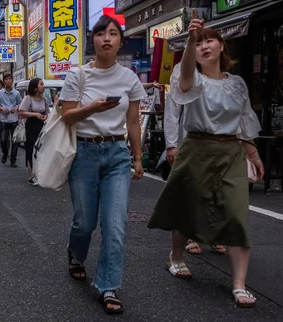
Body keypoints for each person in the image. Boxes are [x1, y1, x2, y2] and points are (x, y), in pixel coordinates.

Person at [147, 10, 263, 308]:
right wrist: (189, 41)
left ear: (222, 46)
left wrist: (252, 150)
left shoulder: (236, 83)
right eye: (200, 43)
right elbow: (184, 78)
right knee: (188, 206)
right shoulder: (190, 77)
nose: (205, 46)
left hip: (231, 152)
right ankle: (176, 255)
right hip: (196, 148)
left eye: (210, 41)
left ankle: (238, 284)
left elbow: (244, 119)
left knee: (236, 213)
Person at [60, 15, 146, 314]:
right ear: (93, 40)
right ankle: (75, 253)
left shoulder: (130, 78)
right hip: (84, 152)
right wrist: (92, 107)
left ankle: (108, 286)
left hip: (117, 154)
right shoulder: (77, 76)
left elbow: (133, 122)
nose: (107, 38)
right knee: (84, 221)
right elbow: (66, 116)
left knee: (115, 224)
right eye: (100, 33)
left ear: (121, 41)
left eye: (113, 33)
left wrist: (137, 158)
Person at [163, 93, 227, 256]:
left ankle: (213, 234)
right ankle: (191, 235)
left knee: (216, 191)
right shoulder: (183, 77)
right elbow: (172, 113)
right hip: (190, 143)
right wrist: (171, 144)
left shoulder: (223, 80)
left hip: (219, 143)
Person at [18, 78, 49, 185]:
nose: (43, 86)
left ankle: (39, 173)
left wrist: (45, 116)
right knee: (30, 149)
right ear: (35, 87)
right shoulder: (28, 98)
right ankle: (31, 174)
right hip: (31, 126)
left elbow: (47, 112)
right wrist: (35, 114)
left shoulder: (44, 99)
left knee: (41, 150)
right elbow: (21, 112)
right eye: (41, 84)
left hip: (42, 126)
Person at [0, 74, 22, 167]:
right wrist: (2, 109)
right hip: (3, 120)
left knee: (15, 141)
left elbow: (20, 104)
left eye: (10, 79)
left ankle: (13, 160)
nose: (8, 81)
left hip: (14, 119)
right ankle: (5, 154)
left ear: (12, 81)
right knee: (3, 140)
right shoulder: (0, 93)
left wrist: (16, 108)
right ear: (4, 82)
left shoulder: (16, 93)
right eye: (6, 79)